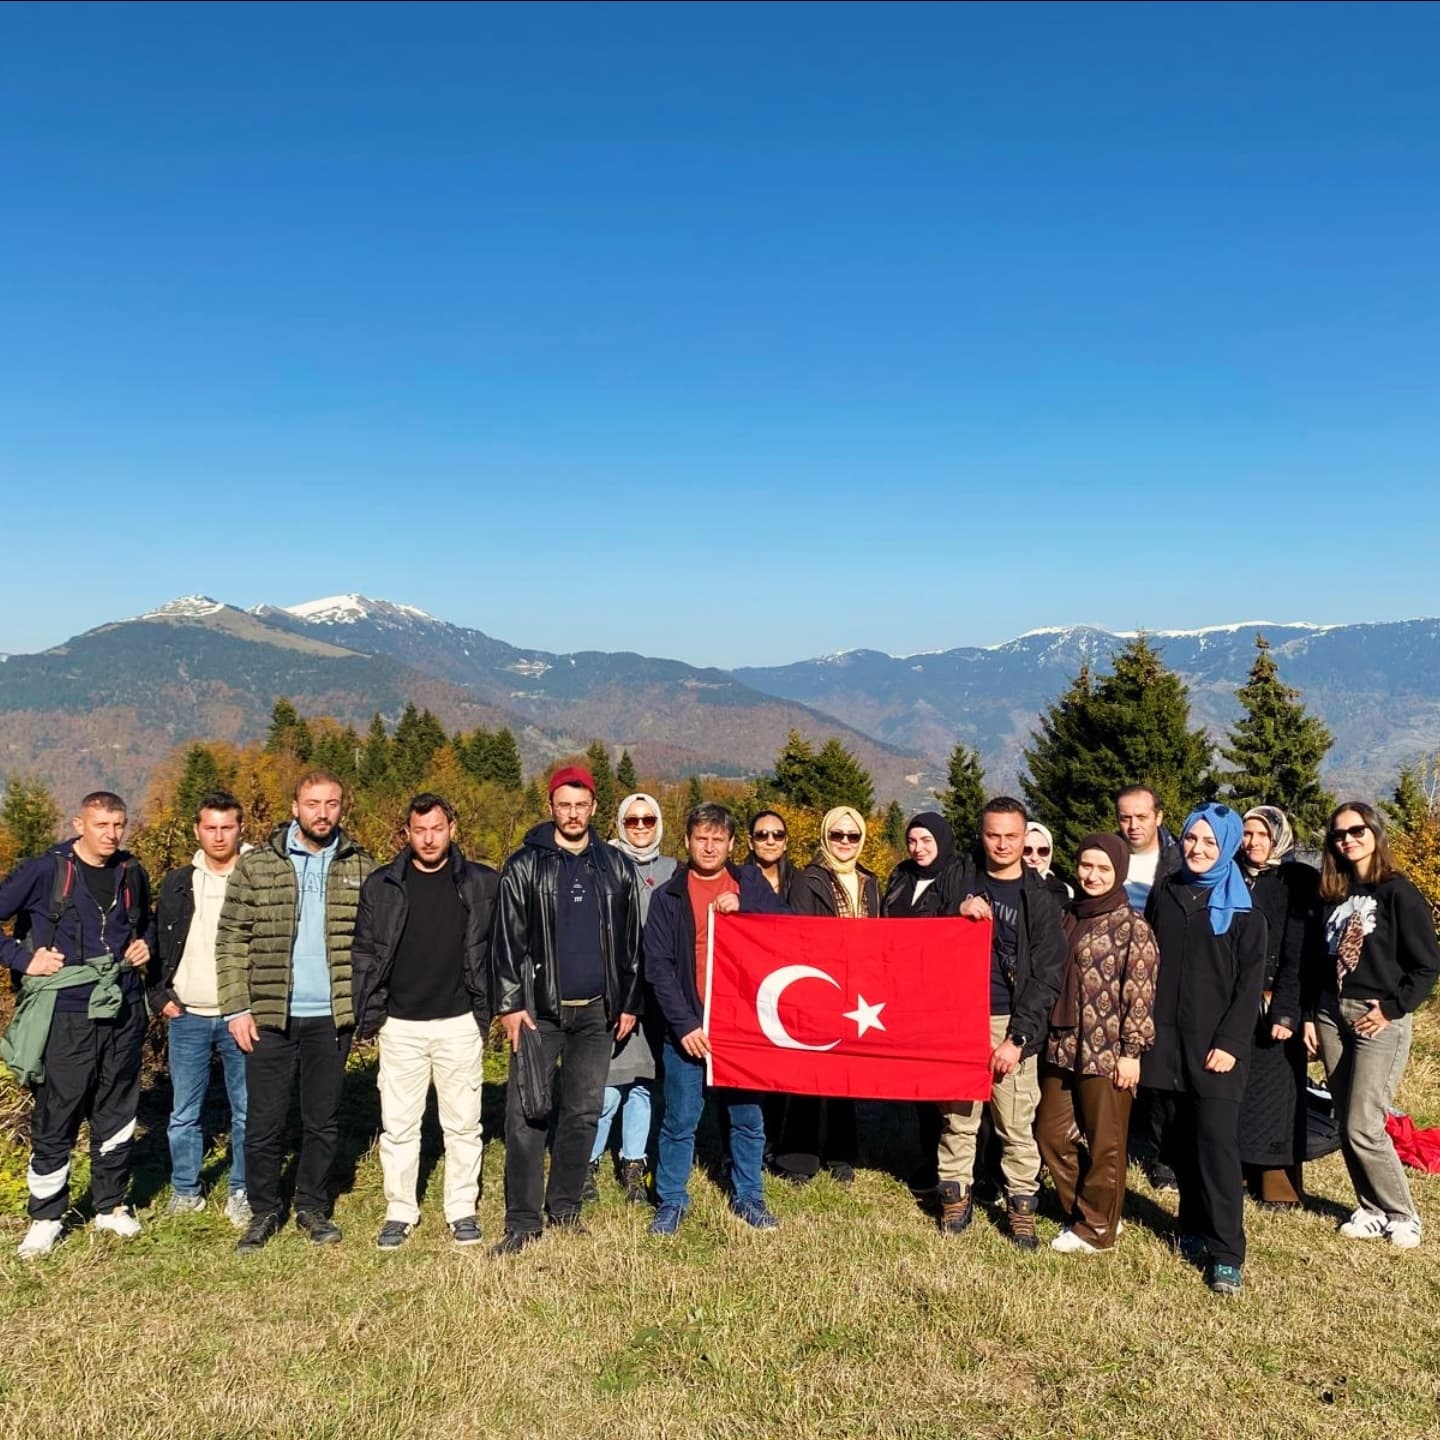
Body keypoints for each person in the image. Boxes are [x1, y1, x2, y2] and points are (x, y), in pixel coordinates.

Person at [217, 769, 375, 1252]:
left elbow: (376, 945)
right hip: (268, 1015)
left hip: (331, 1015)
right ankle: (265, 1210)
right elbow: (230, 939)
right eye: (312, 803)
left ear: (341, 808)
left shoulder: (361, 867)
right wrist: (236, 1007)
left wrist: (367, 1008)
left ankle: (311, 1204)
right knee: (263, 1121)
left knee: (322, 1120)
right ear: (295, 807)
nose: (322, 813)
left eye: (331, 803)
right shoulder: (258, 865)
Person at [491, 766, 643, 1254]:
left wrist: (628, 1003)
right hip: (540, 1014)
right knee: (527, 1112)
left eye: (581, 805)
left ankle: (565, 1208)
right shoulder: (525, 865)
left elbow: (631, 944)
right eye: (564, 804)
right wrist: (510, 1006)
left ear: (594, 807)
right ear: (550, 806)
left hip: (597, 1014)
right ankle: (521, 1220)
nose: (573, 813)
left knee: (581, 1113)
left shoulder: (615, 866)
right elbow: (506, 941)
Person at [0, 792, 152, 1259]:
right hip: (67, 1009)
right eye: (101, 824)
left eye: (119, 824)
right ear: (78, 823)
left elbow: (144, 922)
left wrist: (143, 944)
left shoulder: (131, 871)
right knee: (58, 1111)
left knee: (118, 1107)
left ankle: (109, 1205)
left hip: (123, 1007)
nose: (111, 834)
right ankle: (46, 1216)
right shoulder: (46, 870)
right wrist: (24, 958)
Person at [352, 794, 497, 1249]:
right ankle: (399, 1210)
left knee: (463, 1125)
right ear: (407, 834)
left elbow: (498, 947)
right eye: (420, 830)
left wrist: (486, 1010)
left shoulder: (480, 882)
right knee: (399, 1126)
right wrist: (370, 1014)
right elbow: (364, 952)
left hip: (458, 1022)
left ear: (452, 828)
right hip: (401, 1025)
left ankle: (461, 1209)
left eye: (437, 828)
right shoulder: (383, 885)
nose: (429, 838)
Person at [645, 802, 789, 1235]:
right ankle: (671, 1200)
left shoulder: (750, 884)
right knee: (680, 1119)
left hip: (742, 1027)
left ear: (730, 844)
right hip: (690, 1025)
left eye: (717, 839)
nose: (709, 846)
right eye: (701, 838)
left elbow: (787, 928)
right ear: (687, 842)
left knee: (747, 1118)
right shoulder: (667, 896)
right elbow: (659, 967)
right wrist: (684, 1024)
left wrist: (747, 906)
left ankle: (750, 1196)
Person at [1143, 803, 1266, 1296]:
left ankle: (1226, 1252)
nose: (1197, 849)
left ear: (1229, 847)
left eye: (1210, 843)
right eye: (1192, 839)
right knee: (1176, 1142)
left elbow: (1248, 984)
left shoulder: (1244, 911)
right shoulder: (1168, 893)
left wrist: (1231, 1042)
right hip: (1166, 1044)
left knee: (1216, 1146)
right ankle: (1191, 1225)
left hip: (1217, 1050)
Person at [1308, 801, 1440, 1248]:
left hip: (1376, 1017)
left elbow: (1426, 966)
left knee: (1366, 1122)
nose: (1348, 839)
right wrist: (1312, 1013)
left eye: (1356, 830)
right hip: (1331, 1013)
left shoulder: (1398, 892)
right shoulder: (1335, 892)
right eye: (1339, 835)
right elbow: (1317, 960)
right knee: (1347, 1120)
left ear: (1374, 833)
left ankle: (1404, 1214)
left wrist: (1390, 1009)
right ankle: (1370, 1208)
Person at [939, 797, 1066, 1247]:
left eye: (1012, 836)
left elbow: (1049, 975)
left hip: (1011, 1019)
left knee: (1015, 1123)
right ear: (982, 834)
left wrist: (1019, 1038)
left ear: (1025, 835)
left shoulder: (1043, 898)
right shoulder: (958, 878)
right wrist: (957, 909)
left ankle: (1021, 1206)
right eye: (994, 835)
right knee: (959, 1117)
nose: (1002, 844)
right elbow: (925, 928)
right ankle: (955, 1195)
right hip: (959, 1015)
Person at [1035, 833, 1158, 1253]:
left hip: (1107, 1052)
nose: (1092, 875)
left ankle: (1097, 1230)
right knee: (1050, 1133)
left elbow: (1139, 994)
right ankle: (1097, 1210)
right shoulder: (1067, 915)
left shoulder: (1132, 927)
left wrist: (1132, 1053)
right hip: (1062, 1044)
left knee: (1106, 1142)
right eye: (1087, 865)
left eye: (1103, 868)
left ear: (1119, 872)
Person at [149, 790, 252, 1227]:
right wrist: (159, 996)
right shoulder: (177, 881)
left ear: (240, 829)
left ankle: (242, 1191)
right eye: (210, 827)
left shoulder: (257, 877)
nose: (218, 835)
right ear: (197, 830)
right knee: (183, 1113)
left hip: (242, 1014)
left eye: (226, 827)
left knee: (248, 1111)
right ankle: (186, 1190)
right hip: (187, 1013)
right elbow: (154, 942)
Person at [770, 805, 881, 1185]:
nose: (846, 843)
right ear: (825, 837)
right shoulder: (809, 879)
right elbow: (801, 935)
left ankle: (841, 1153)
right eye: (838, 835)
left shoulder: (870, 881)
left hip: (858, 990)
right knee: (808, 1074)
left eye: (852, 836)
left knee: (845, 1075)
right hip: (819, 986)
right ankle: (798, 1157)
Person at [585, 791, 675, 1205]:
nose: (641, 828)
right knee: (606, 1086)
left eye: (648, 821)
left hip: (659, 996)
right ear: (620, 824)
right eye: (633, 821)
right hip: (615, 993)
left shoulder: (675, 871)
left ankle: (633, 1163)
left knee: (643, 1085)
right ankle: (586, 1163)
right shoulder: (601, 864)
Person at [881, 811, 973, 1190]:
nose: (919, 849)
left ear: (942, 841)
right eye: (913, 841)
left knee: (947, 1088)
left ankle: (963, 1168)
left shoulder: (960, 874)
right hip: (903, 994)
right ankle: (926, 1159)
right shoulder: (901, 875)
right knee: (918, 1085)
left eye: (927, 841)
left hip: (943, 997)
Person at [1236, 805, 1321, 1208]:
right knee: (1235, 1091)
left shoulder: (1298, 879)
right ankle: (1234, 1172)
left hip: (1276, 1002)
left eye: (1262, 835)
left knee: (1276, 1098)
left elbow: (1300, 951)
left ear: (1278, 838)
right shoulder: (1231, 875)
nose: (1253, 843)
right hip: (1234, 1000)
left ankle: (1276, 1186)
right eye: (1247, 834)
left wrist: (1287, 1009)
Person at [1117, 784, 1182, 1192]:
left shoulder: (1177, 863)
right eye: (1125, 817)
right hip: (1114, 972)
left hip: (1163, 973)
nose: (1133, 825)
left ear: (1158, 817)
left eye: (1142, 816)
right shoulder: (1111, 856)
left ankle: (1164, 1156)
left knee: (1159, 1068)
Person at [744, 810, 804, 905]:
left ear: (785, 843)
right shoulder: (736, 881)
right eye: (761, 835)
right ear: (751, 842)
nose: (770, 842)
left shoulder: (801, 882)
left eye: (778, 835)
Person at [1023, 822, 1071, 902]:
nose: (1034, 858)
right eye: (1027, 850)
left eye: (1043, 851)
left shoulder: (1061, 891)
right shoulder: (1000, 884)